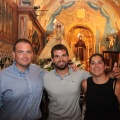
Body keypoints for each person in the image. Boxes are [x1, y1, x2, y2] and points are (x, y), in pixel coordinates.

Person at [0, 39, 45, 120]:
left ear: (32, 54)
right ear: (13, 55)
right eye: (20, 52)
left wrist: (71, 68)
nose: (25, 56)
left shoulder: (37, 70)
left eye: (28, 52)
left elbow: (54, 75)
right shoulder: (2, 77)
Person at [81, 53, 120, 120]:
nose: (96, 66)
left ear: (105, 66)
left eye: (99, 63)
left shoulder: (116, 86)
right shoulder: (85, 84)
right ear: (90, 66)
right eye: (93, 63)